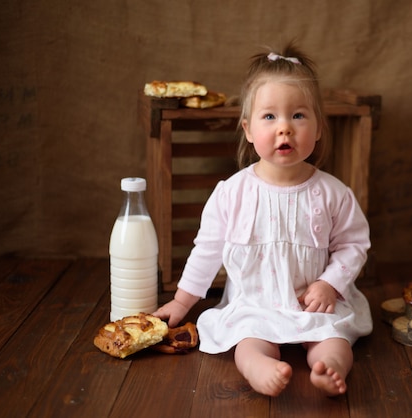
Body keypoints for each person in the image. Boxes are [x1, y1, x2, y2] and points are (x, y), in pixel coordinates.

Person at [153, 42, 372, 397]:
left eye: (298, 116)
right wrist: (181, 302)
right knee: (247, 341)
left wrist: (331, 283)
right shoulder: (232, 193)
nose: (284, 128)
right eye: (269, 117)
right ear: (249, 129)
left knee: (333, 337)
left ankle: (328, 367)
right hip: (255, 302)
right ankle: (259, 367)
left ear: (318, 128)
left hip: (313, 301)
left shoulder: (333, 193)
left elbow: (353, 245)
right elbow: (207, 251)